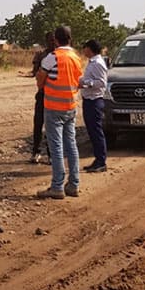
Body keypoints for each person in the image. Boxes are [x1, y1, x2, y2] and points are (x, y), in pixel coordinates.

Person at [36, 26, 83, 199]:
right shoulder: (76, 58)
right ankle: (74, 184)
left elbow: (41, 77)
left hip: (54, 107)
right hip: (70, 106)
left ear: (55, 39)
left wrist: (42, 86)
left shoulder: (52, 57)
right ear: (70, 39)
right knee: (71, 145)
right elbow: (78, 81)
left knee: (56, 147)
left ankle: (57, 187)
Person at [80, 39, 109, 173]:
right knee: (92, 131)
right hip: (89, 99)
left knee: (96, 132)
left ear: (89, 49)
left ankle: (101, 161)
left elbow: (101, 83)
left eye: (85, 47)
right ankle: (97, 160)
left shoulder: (97, 63)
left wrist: (85, 83)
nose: (83, 50)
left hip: (94, 100)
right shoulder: (93, 62)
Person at [30, 32, 56, 163]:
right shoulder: (41, 55)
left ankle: (52, 154)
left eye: (54, 40)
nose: (52, 42)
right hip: (42, 94)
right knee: (38, 123)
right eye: (49, 40)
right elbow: (35, 73)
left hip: (55, 96)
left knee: (52, 126)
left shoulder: (60, 56)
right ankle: (36, 152)